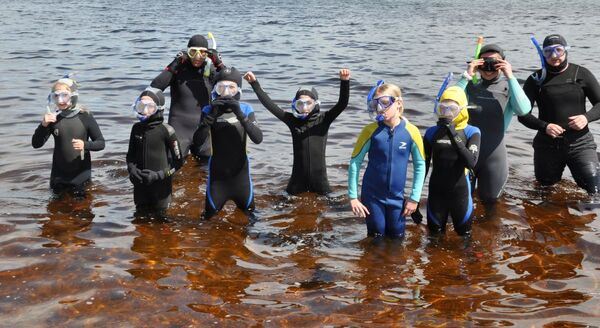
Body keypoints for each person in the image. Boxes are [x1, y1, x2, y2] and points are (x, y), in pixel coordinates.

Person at [243, 68, 350, 195]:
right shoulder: (292, 121)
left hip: (320, 180)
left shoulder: (324, 119)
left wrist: (344, 82)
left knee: (332, 206)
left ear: (315, 104)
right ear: (295, 104)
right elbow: (270, 105)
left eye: (308, 103)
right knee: (282, 208)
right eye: (300, 104)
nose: (304, 108)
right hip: (297, 181)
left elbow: (342, 104)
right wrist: (255, 84)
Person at [518, 34, 600, 194]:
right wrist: (544, 126)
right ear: (542, 54)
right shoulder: (535, 79)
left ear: (566, 51)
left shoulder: (581, 74)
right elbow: (522, 114)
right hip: (547, 145)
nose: (554, 56)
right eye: (548, 52)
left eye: (559, 50)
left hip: (580, 143)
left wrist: (586, 117)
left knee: (594, 190)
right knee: (545, 192)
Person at [456, 44, 531, 210]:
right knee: (459, 201)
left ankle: (489, 235)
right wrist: (467, 75)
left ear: (503, 64)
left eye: (495, 63)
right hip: (466, 152)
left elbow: (524, 109)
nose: (489, 68)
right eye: (485, 63)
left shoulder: (508, 87)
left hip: (494, 155)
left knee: (491, 204)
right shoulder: (469, 86)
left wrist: (510, 76)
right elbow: (447, 106)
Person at [348, 82, 425, 238]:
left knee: (397, 239)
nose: (380, 108)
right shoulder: (370, 131)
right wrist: (353, 197)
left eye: (384, 103)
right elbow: (355, 163)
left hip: (397, 198)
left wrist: (414, 198)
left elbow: (420, 165)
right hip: (372, 197)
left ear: (398, 103)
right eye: (376, 104)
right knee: (376, 237)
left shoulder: (411, 131)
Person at [193, 67, 263, 220]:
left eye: (231, 87)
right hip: (217, 181)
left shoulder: (245, 109)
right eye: (221, 87)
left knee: (252, 223)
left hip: (241, 180)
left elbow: (258, 138)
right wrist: (210, 117)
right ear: (215, 90)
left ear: (238, 90)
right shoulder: (208, 109)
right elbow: (197, 142)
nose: (226, 92)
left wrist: (240, 114)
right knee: (207, 223)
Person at [150, 34, 225, 159]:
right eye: (193, 52)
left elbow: (233, 86)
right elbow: (156, 86)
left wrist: (220, 65)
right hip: (179, 129)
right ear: (187, 51)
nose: (197, 56)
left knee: (208, 169)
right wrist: (174, 64)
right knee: (172, 167)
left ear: (207, 54)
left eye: (202, 53)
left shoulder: (210, 71)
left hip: (204, 130)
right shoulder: (178, 69)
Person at [32, 75, 105, 196]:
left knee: (83, 211)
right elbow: (36, 144)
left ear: (73, 96)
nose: (60, 101)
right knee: (55, 212)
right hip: (58, 177)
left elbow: (101, 143)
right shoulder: (52, 119)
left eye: (64, 95)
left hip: (81, 177)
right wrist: (43, 125)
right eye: (56, 96)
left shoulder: (85, 116)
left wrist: (85, 144)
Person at [423, 86, 481, 236]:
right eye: (443, 108)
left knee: (465, 239)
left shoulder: (471, 132)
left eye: (452, 109)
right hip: (436, 193)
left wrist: (452, 132)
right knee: (434, 240)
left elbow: (471, 162)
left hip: (460, 193)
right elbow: (422, 167)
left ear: (462, 109)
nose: (447, 113)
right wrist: (414, 199)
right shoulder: (431, 133)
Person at [126, 87, 184, 214]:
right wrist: (132, 170)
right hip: (140, 186)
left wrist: (159, 175)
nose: (145, 111)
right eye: (141, 106)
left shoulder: (167, 131)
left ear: (159, 108)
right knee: (139, 221)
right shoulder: (136, 128)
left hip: (161, 187)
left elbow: (178, 162)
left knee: (162, 223)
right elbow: (130, 156)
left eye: (150, 107)